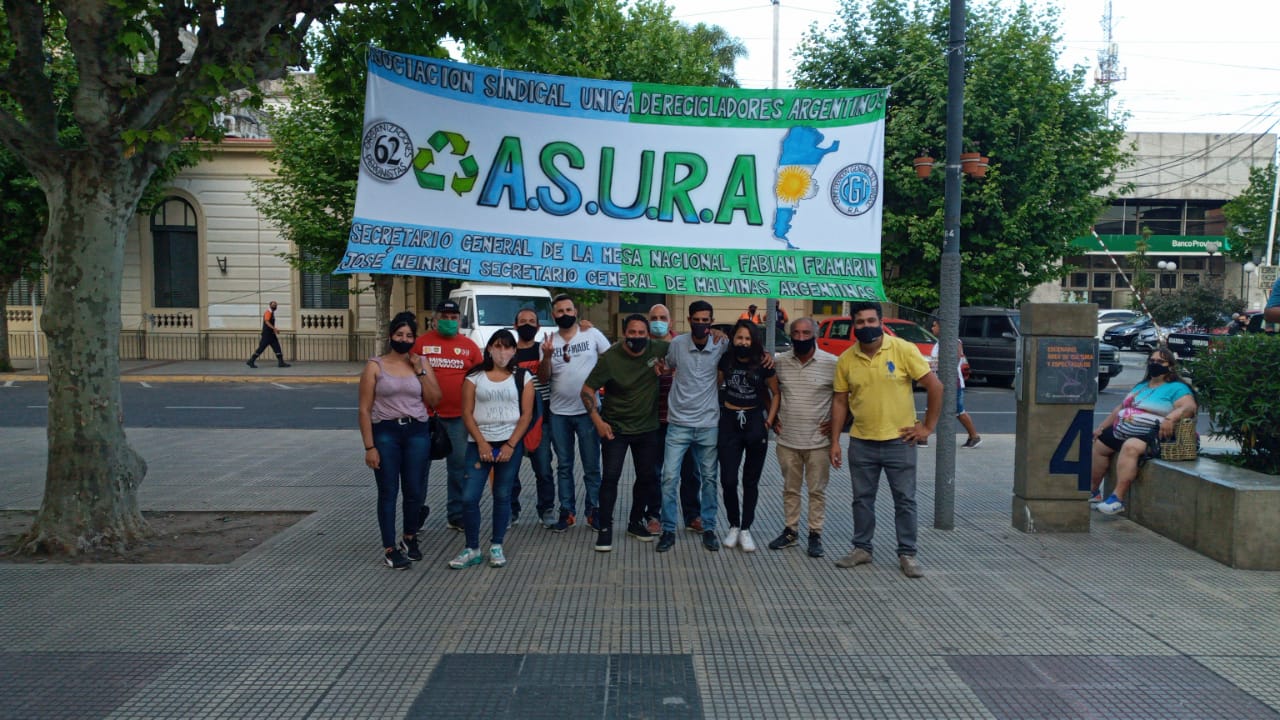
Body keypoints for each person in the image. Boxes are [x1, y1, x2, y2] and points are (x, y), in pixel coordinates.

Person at [830, 302, 942, 579]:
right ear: (853, 326)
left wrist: (927, 427)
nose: (866, 326)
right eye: (860, 322)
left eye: (871, 321)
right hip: (861, 442)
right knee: (861, 500)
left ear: (880, 322)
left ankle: (907, 553)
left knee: (905, 500)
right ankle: (861, 549)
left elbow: (935, 386)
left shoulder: (902, 349)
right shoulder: (846, 359)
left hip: (899, 441)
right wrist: (834, 441)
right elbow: (841, 401)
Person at [357, 312, 442, 569]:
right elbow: (364, 409)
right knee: (388, 491)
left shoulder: (421, 363)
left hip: (416, 431)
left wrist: (420, 371)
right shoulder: (375, 366)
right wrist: (369, 447)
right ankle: (390, 547)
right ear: (390, 336)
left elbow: (435, 399)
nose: (404, 339)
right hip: (386, 433)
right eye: (399, 335)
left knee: (414, 490)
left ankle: (409, 536)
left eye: (409, 336)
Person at [580, 314, 668, 552]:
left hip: (647, 428)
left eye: (641, 333)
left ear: (648, 335)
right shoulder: (610, 358)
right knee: (610, 478)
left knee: (646, 477)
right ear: (624, 334)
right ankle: (605, 529)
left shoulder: (657, 348)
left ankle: (635, 522)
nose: (636, 338)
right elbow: (586, 389)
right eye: (632, 333)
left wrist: (718, 334)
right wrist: (597, 420)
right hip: (615, 428)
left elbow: (685, 346)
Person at [450, 330, 535, 569]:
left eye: (508, 347)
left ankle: (497, 544)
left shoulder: (523, 377)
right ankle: (472, 548)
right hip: (479, 444)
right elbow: (466, 413)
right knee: (469, 497)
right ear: (489, 348)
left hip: (509, 444)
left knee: (502, 495)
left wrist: (510, 445)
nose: (502, 352)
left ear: (514, 351)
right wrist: (481, 442)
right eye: (498, 346)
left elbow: (527, 414)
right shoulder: (475, 376)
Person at [1090, 348, 1197, 515]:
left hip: (1153, 434)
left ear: (1170, 366)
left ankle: (1117, 499)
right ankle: (1093, 491)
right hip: (1123, 430)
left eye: (1160, 362)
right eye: (1152, 361)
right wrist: (1102, 427)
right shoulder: (1141, 386)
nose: (1155, 364)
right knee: (1100, 443)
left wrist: (1170, 418)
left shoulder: (1176, 388)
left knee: (1130, 447)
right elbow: (1121, 407)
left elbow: (1189, 407)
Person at [657, 301, 728, 553]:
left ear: (711, 321)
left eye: (706, 320)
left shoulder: (721, 344)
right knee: (668, 478)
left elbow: (744, 351)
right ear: (689, 320)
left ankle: (709, 527)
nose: (701, 324)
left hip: (708, 423)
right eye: (697, 319)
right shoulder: (677, 345)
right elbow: (666, 366)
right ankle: (667, 529)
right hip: (678, 424)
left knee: (709, 478)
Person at [768, 317, 838, 558]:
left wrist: (838, 425)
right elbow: (771, 391)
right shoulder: (780, 362)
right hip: (787, 439)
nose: (800, 338)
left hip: (818, 442)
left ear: (815, 334)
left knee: (817, 490)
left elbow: (844, 399)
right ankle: (791, 531)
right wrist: (772, 415)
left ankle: (815, 534)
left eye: (805, 333)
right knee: (790, 489)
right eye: (795, 333)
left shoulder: (832, 364)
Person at [540, 294, 610, 532]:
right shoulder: (548, 341)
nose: (565, 314)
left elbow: (611, 359)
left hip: (588, 413)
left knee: (592, 466)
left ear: (576, 312)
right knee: (564, 466)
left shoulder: (591, 334)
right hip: (559, 413)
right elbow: (543, 377)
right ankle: (567, 512)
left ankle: (594, 511)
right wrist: (547, 356)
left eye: (569, 309)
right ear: (553, 315)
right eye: (560, 311)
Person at [412, 300, 482, 532]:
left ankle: (456, 514)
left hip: (459, 418)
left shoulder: (469, 346)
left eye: (454, 317)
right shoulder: (421, 344)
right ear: (434, 320)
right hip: (426, 417)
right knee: (419, 467)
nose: (449, 321)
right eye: (444, 317)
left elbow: (480, 377)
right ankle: (415, 513)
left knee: (459, 467)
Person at [717, 320, 779, 553]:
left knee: (750, 481)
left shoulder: (763, 363)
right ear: (733, 339)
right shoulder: (726, 359)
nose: (743, 342)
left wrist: (769, 421)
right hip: (729, 423)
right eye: (739, 338)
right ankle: (733, 524)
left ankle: (745, 528)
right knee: (728, 480)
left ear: (753, 340)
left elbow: (775, 392)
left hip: (754, 423)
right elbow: (716, 384)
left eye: (747, 338)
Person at [644, 303, 701, 535]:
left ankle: (692, 515)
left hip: (684, 419)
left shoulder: (684, 345)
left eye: (662, 317)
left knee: (690, 471)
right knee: (654, 472)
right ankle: (653, 515)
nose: (658, 321)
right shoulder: (642, 345)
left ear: (672, 321)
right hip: (653, 419)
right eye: (654, 317)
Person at [512, 307, 557, 528]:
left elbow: (545, 378)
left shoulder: (543, 350)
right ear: (515, 326)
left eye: (532, 321)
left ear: (538, 327)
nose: (527, 325)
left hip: (541, 419)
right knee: (510, 470)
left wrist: (547, 358)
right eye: (523, 321)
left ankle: (546, 508)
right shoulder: (508, 352)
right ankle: (511, 510)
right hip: (512, 419)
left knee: (543, 468)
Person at [929, 318, 982, 449]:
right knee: (933, 407)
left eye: (934, 326)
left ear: (942, 327)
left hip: (953, 382)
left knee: (959, 410)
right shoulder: (939, 343)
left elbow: (956, 358)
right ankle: (923, 437)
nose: (932, 328)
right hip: (940, 381)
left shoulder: (954, 341)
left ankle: (974, 436)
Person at [246, 300, 290, 368]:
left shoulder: (272, 313)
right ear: (270, 305)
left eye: (275, 305)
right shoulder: (268, 312)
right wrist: (274, 328)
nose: (275, 306)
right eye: (273, 305)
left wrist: (274, 330)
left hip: (271, 334)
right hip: (267, 335)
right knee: (261, 348)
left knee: (277, 348)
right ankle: (251, 361)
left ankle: (281, 362)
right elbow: (267, 322)